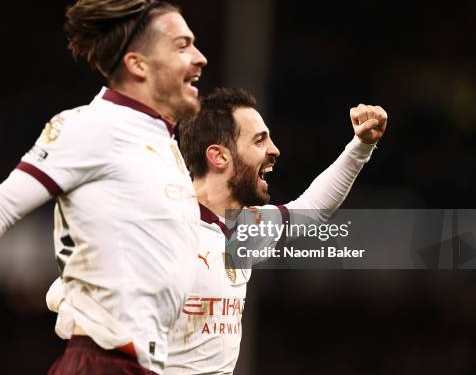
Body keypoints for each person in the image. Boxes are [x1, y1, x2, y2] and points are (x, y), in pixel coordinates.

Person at [0, 0, 207, 375]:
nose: (199, 57)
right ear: (138, 65)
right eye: (182, 46)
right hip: (101, 365)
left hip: (142, 366)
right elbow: (3, 203)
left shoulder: (163, 143)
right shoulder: (94, 126)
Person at [166, 87, 387, 373]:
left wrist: (360, 146)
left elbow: (311, 209)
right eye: (260, 141)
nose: (275, 150)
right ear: (219, 156)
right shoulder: (166, 226)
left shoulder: (243, 228)